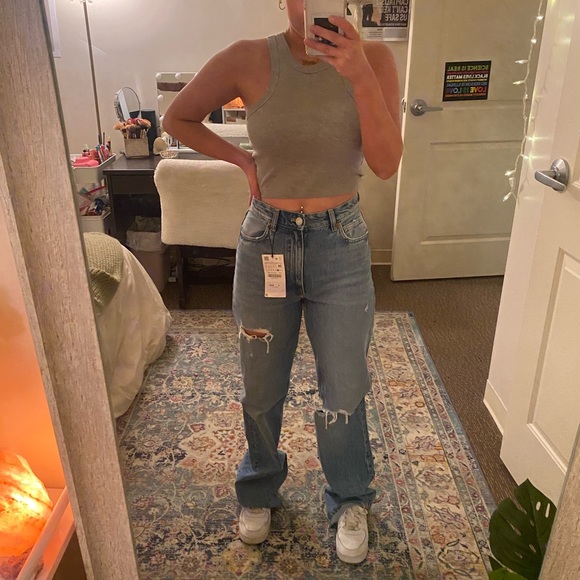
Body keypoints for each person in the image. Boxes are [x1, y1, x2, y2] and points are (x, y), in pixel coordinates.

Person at [162, 0, 402, 565]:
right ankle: (259, 486)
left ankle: (350, 497)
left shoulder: (376, 61)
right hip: (266, 238)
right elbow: (178, 117)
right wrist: (243, 162)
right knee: (262, 382)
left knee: (344, 384)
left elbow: (386, 163)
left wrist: (359, 76)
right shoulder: (247, 58)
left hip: (340, 244)